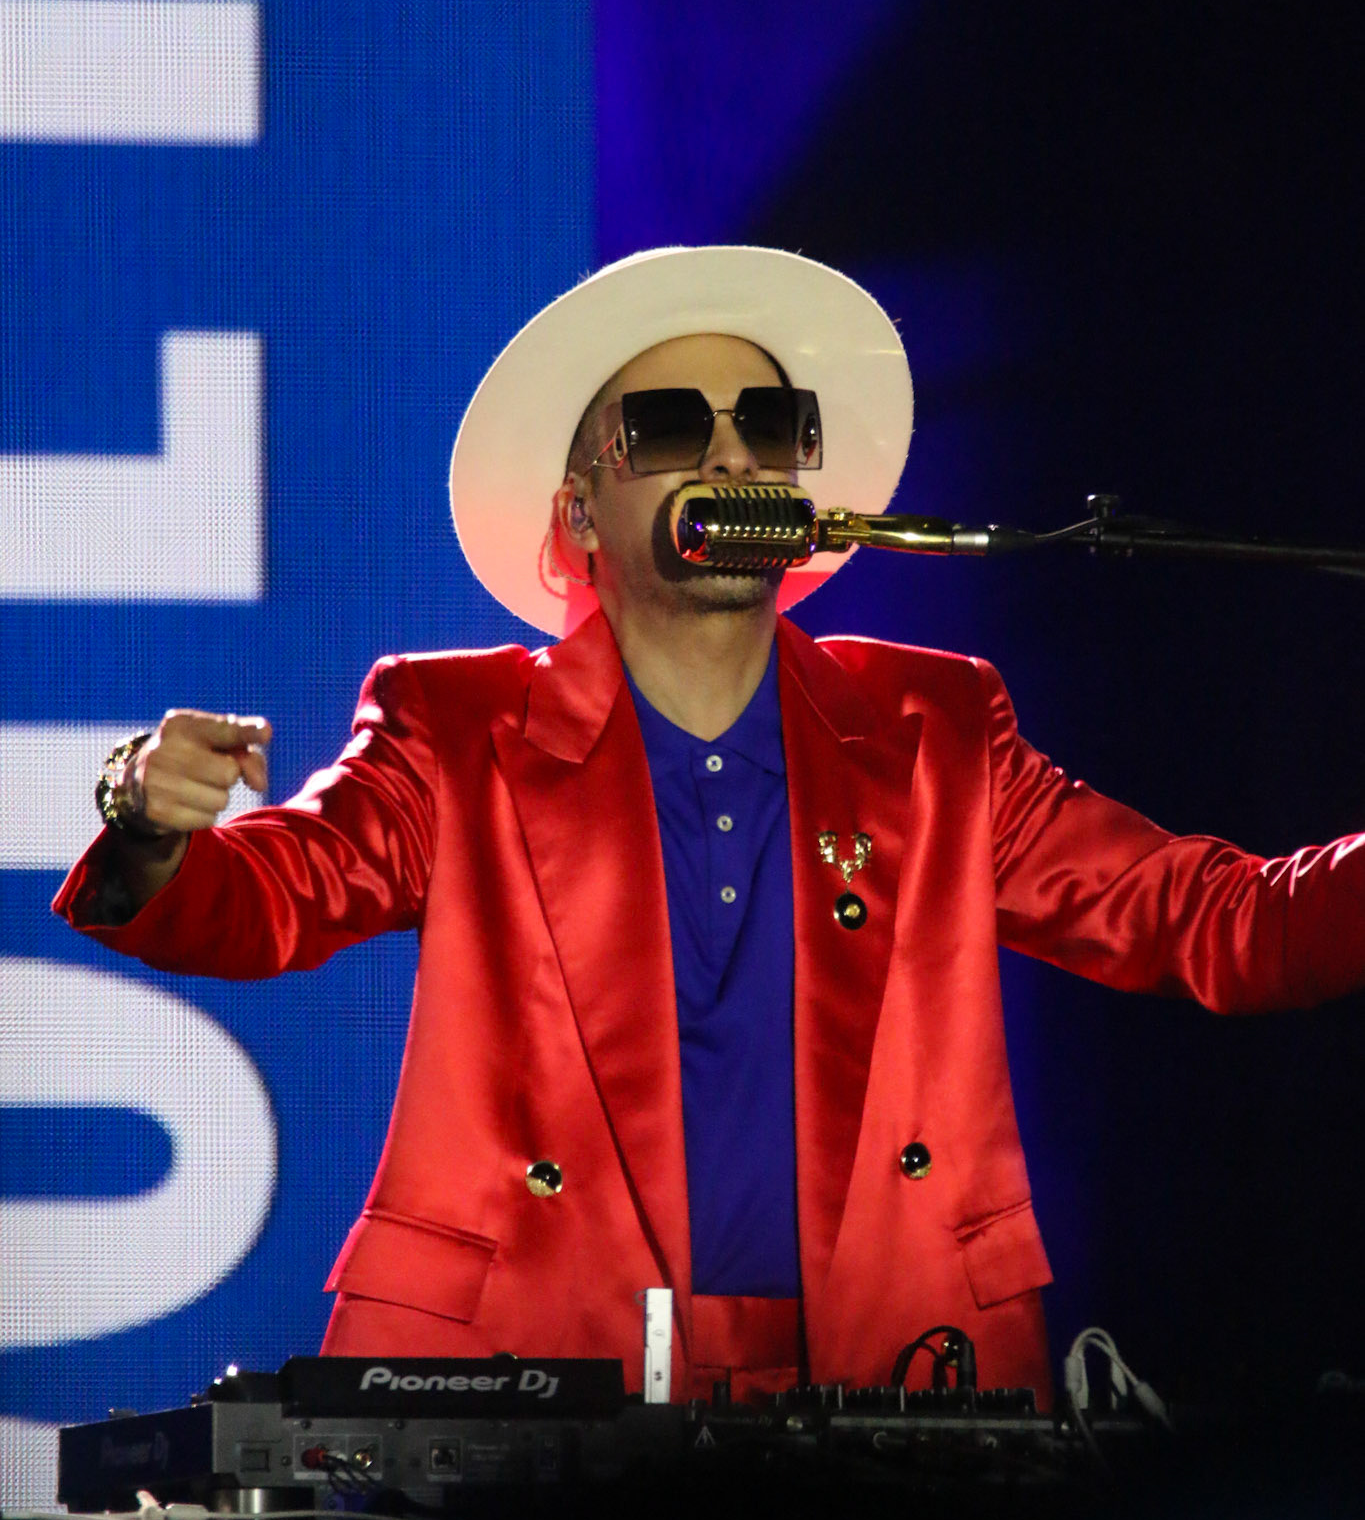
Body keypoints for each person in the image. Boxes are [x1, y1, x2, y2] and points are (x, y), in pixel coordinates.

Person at [54, 245, 1365, 1407]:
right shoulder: (455, 729)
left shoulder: (936, 731)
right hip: (537, 1370)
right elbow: (263, 901)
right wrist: (148, 822)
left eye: (769, 424)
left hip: (896, 1375)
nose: (732, 455)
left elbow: (1222, 925)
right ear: (579, 507)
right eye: (672, 424)